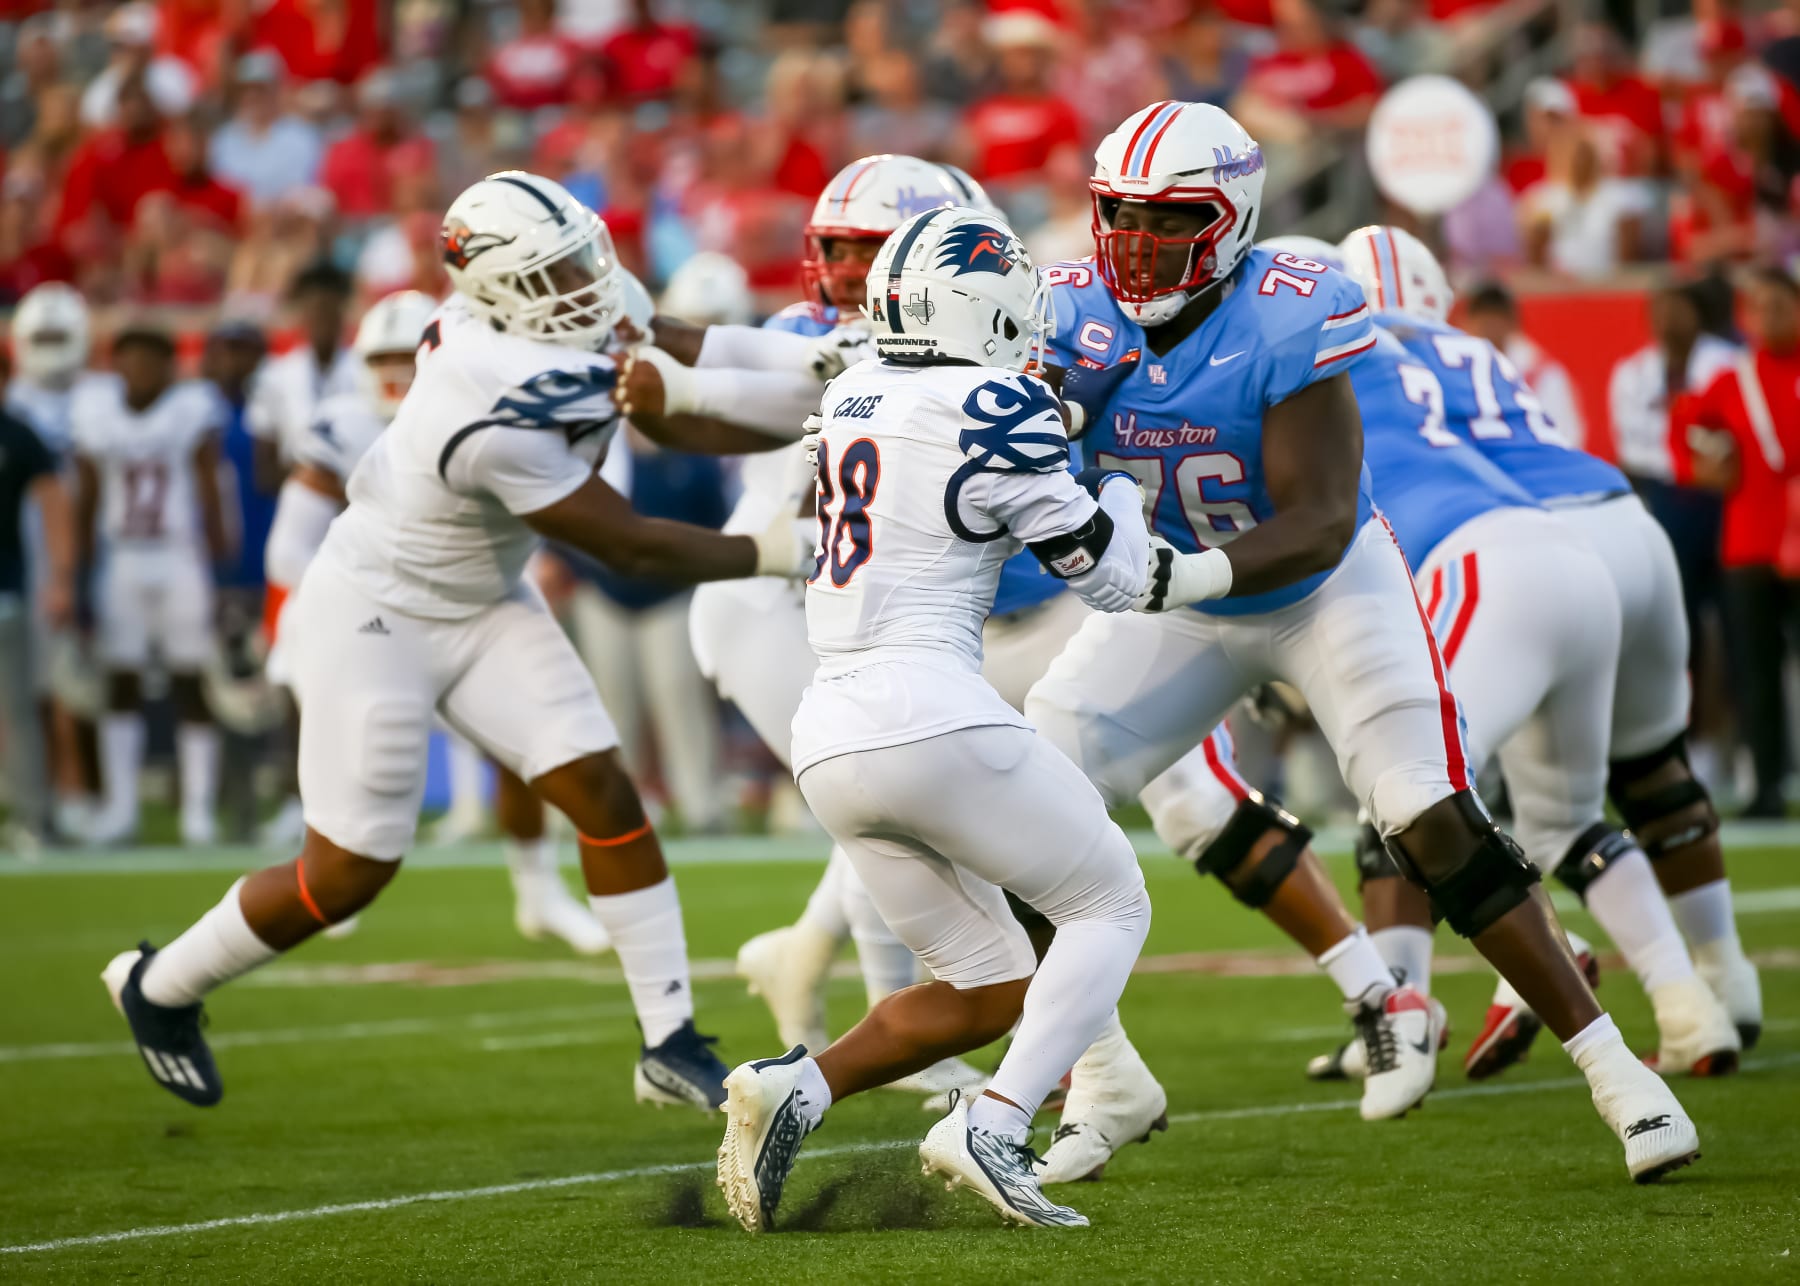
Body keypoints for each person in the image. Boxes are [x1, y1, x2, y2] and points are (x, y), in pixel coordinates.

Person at [1022, 102, 1695, 1186]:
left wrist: (1176, 570)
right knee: (1022, 795)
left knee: (1428, 813)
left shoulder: (1292, 307)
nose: (1138, 243)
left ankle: (1621, 1072)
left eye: (1170, 218)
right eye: (1122, 217)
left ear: (1232, 217)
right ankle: (1098, 1074)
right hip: (1178, 601)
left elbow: (1323, 514)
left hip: (1323, 586)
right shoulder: (1063, 310)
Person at [102, 171, 814, 1112]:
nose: (586, 287)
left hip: (481, 596)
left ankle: (668, 1039)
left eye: (581, 259)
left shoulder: (557, 311)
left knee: (602, 789)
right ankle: (161, 987)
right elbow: (627, 540)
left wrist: (829, 371)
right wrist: (776, 547)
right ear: (496, 289)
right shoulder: (482, 401)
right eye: (555, 274)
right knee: (347, 872)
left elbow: (692, 356)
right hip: (378, 614)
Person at [716, 206, 1154, 1232]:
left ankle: (799, 1088)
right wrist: (1124, 485)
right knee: (1109, 902)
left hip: (828, 725)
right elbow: (1114, 580)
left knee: (989, 981)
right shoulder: (998, 396)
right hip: (931, 705)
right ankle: (994, 1123)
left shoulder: (854, 388)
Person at [1231, 232, 1736, 1085]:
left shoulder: (1300, 358)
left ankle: (1430, 1000)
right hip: (1586, 540)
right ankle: (1698, 1002)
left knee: (1410, 787)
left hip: (1481, 563)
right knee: (1586, 809)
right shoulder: (1443, 346)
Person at [1356, 226, 1763, 1055]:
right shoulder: (1477, 348)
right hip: (1622, 522)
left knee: (1414, 782)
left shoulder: (1350, 355)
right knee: (1652, 775)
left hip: (1513, 548)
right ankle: (1722, 985)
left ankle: (1454, 1000)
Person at [73, 324, 231, 845]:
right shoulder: (96, 410)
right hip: (121, 557)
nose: (139, 368)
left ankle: (198, 809)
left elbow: (211, 484)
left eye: (150, 358)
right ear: (115, 364)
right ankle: (121, 808)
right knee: (121, 681)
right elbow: (88, 493)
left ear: (169, 366)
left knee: (192, 679)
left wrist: (219, 555)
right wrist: (77, 565)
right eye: (129, 358)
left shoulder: (191, 409)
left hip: (180, 554)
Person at [1671, 267, 1800, 824]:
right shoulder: (1735, 378)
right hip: (1748, 544)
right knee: (1755, 671)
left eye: (1780, 306)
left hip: (1780, 538)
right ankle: (1766, 784)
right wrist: (1703, 470)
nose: (1768, 317)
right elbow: (1682, 427)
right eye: (1760, 307)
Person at [5, 283, 103, 835]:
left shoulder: (100, 393)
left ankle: (89, 791)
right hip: (26, 550)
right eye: (39, 336)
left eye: (56, 336)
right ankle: (53, 792)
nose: (47, 346)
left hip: (97, 545)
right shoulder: (13, 402)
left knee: (85, 683)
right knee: (38, 685)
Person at [0, 395, 74, 853]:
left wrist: (62, 577)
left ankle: (35, 818)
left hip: (5, 590)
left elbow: (53, 499)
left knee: (18, 710)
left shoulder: (17, 433)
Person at [245, 261, 359, 487]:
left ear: (342, 314)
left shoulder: (362, 369)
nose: (322, 319)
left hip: (354, 495)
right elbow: (265, 468)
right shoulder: (275, 374)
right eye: (316, 310)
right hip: (295, 494)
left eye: (329, 310)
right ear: (304, 315)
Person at [1463, 282, 1587, 452]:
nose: (1489, 328)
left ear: (1513, 322)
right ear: (1467, 324)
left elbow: (1566, 437)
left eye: (1496, 319)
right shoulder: (1458, 371)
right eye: (1482, 320)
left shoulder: (1543, 373)